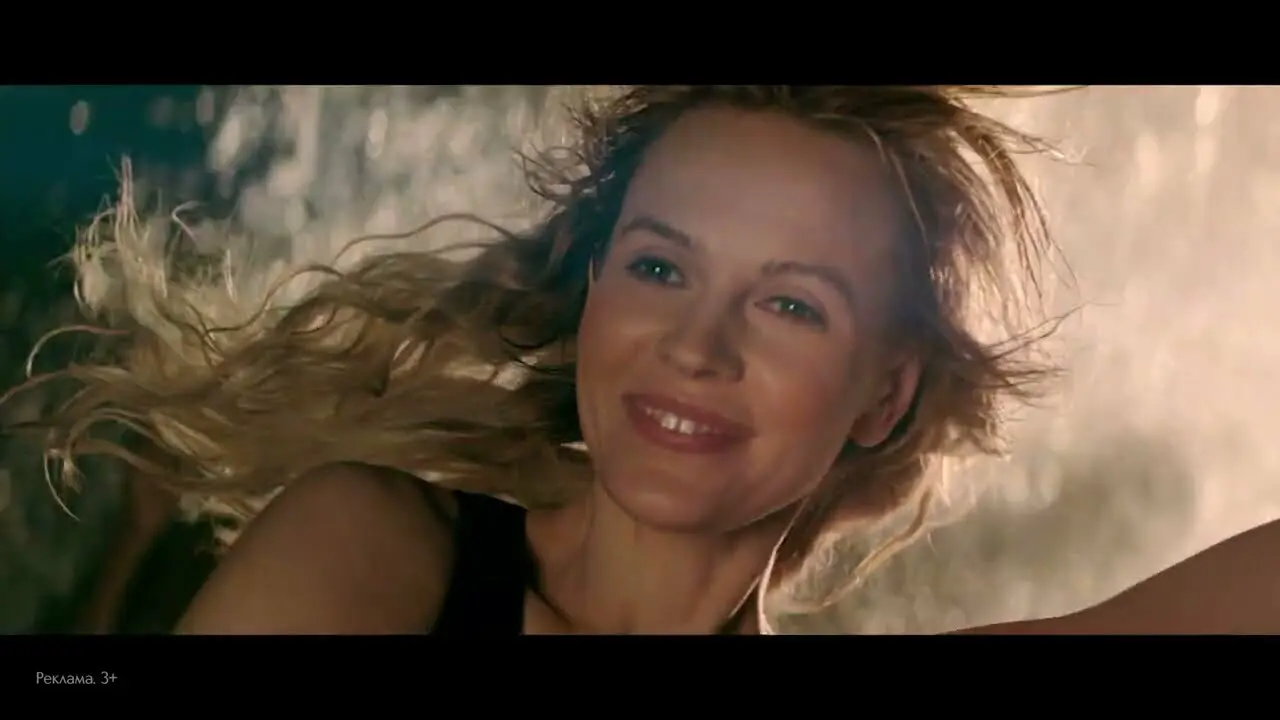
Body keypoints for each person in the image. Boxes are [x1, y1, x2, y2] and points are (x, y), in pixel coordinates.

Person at [14, 85, 1280, 634]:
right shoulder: (373, 546)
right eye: (662, 269)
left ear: (882, 396)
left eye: (789, 306)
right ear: (593, 289)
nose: (695, 346)